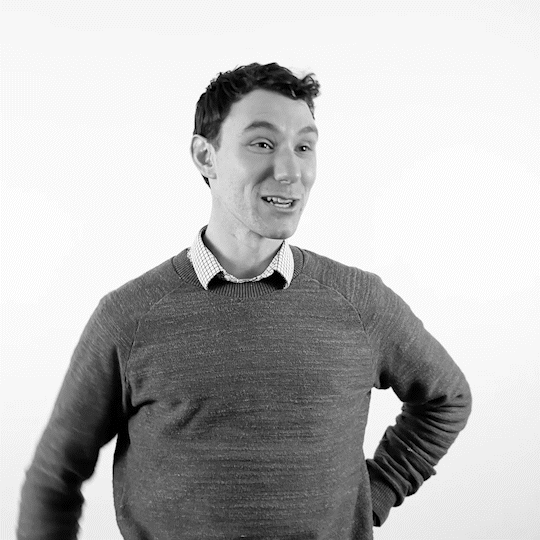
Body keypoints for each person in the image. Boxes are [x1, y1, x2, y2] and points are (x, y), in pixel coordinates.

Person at [17, 62, 472, 540]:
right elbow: (54, 477)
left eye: (304, 147)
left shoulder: (359, 303)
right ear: (205, 156)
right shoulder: (129, 317)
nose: (290, 171)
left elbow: (447, 399)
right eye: (262, 144)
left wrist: (372, 495)